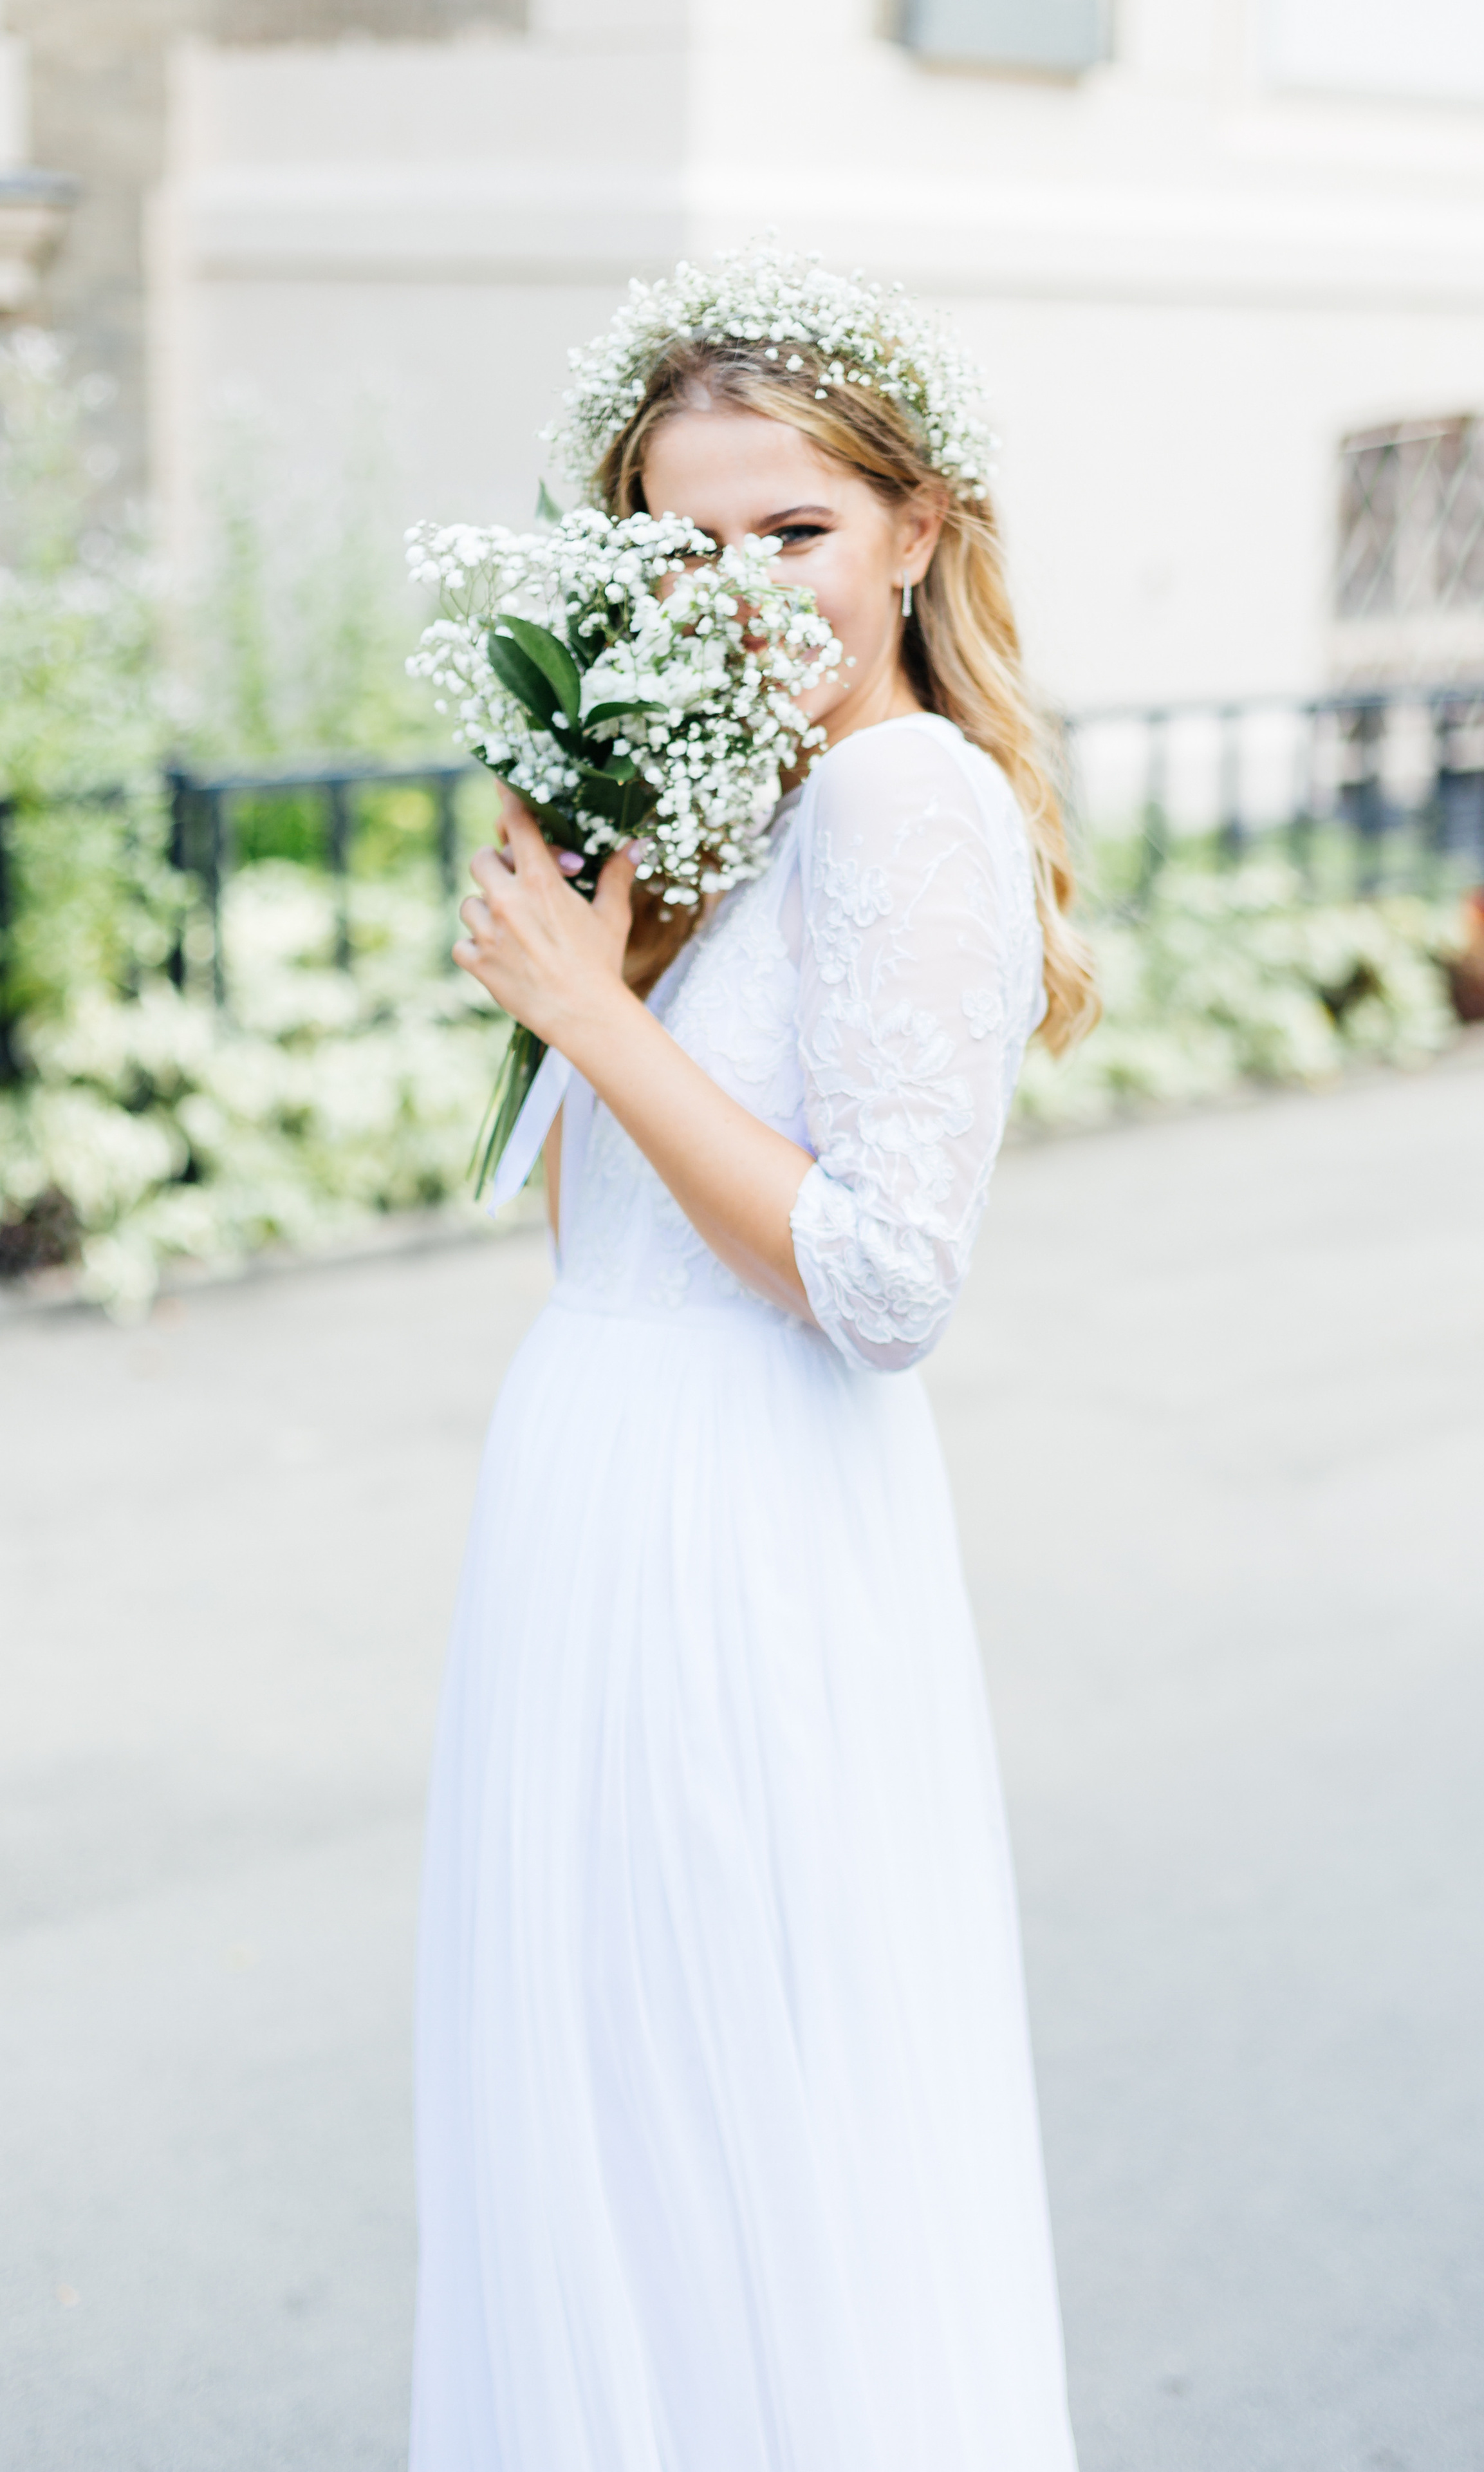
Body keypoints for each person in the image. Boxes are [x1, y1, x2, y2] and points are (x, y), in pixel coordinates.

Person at [411, 249, 1097, 2472]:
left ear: (916, 529)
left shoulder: (910, 801)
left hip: (746, 1516)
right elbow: (587, 1222)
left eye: (791, 530)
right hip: (595, 1477)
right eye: (682, 547)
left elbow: (890, 1280)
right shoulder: (742, 811)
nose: (744, 590)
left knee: (734, 2096)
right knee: (602, 2093)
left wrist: (594, 1016)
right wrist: (594, 940)